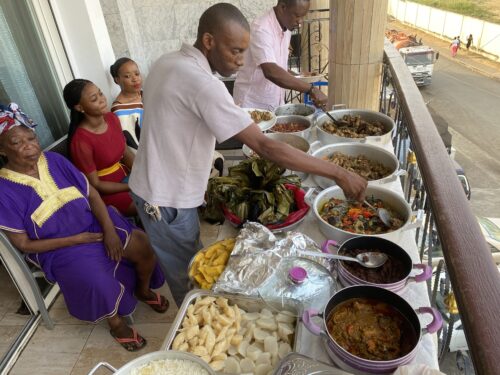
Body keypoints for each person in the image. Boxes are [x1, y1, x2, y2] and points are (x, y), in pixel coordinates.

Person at [128, 2, 367, 307]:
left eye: (245, 51)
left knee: (193, 263)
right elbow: (266, 146)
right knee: (192, 280)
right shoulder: (204, 84)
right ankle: (197, 337)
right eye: (236, 51)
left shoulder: (166, 62)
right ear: (209, 41)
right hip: (165, 199)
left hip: (151, 186)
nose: (242, 61)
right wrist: (339, 173)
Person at [0, 103, 168, 351]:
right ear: (2, 150)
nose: (30, 145)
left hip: (93, 224)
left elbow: (92, 196)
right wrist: (76, 240)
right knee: (96, 280)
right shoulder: (4, 190)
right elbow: (23, 244)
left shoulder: (55, 161)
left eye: (31, 137)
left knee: (142, 245)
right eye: (17, 142)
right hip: (59, 248)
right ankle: (117, 324)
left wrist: (109, 230)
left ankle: (142, 290)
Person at [233, 0, 327, 110]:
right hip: (252, 104)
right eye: (297, 15)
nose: (300, 22)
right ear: (283, 7)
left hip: (274, 104)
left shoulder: (286, 27)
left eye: (303, 16)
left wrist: (298, 76)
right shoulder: (261, 28)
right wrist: (311, 89)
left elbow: (278, 65)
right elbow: (271, 72)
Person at [63, 79, 137, 217]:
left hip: (126, 176)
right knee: (149, 204)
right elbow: (95, 184)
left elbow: (125, 151)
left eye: (100, 93)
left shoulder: (111, 118)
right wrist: (131, 186)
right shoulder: (81, 142)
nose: (102, 99)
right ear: (79, 107)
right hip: (107, 192)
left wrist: (141, 174)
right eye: (94, 98)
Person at [110, 57, 143, 150]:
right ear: (117, 80)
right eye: (127, 76)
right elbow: (131, 144)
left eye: (137, 74)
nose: (135, 79)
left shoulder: (146, 94)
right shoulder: (119, 110)